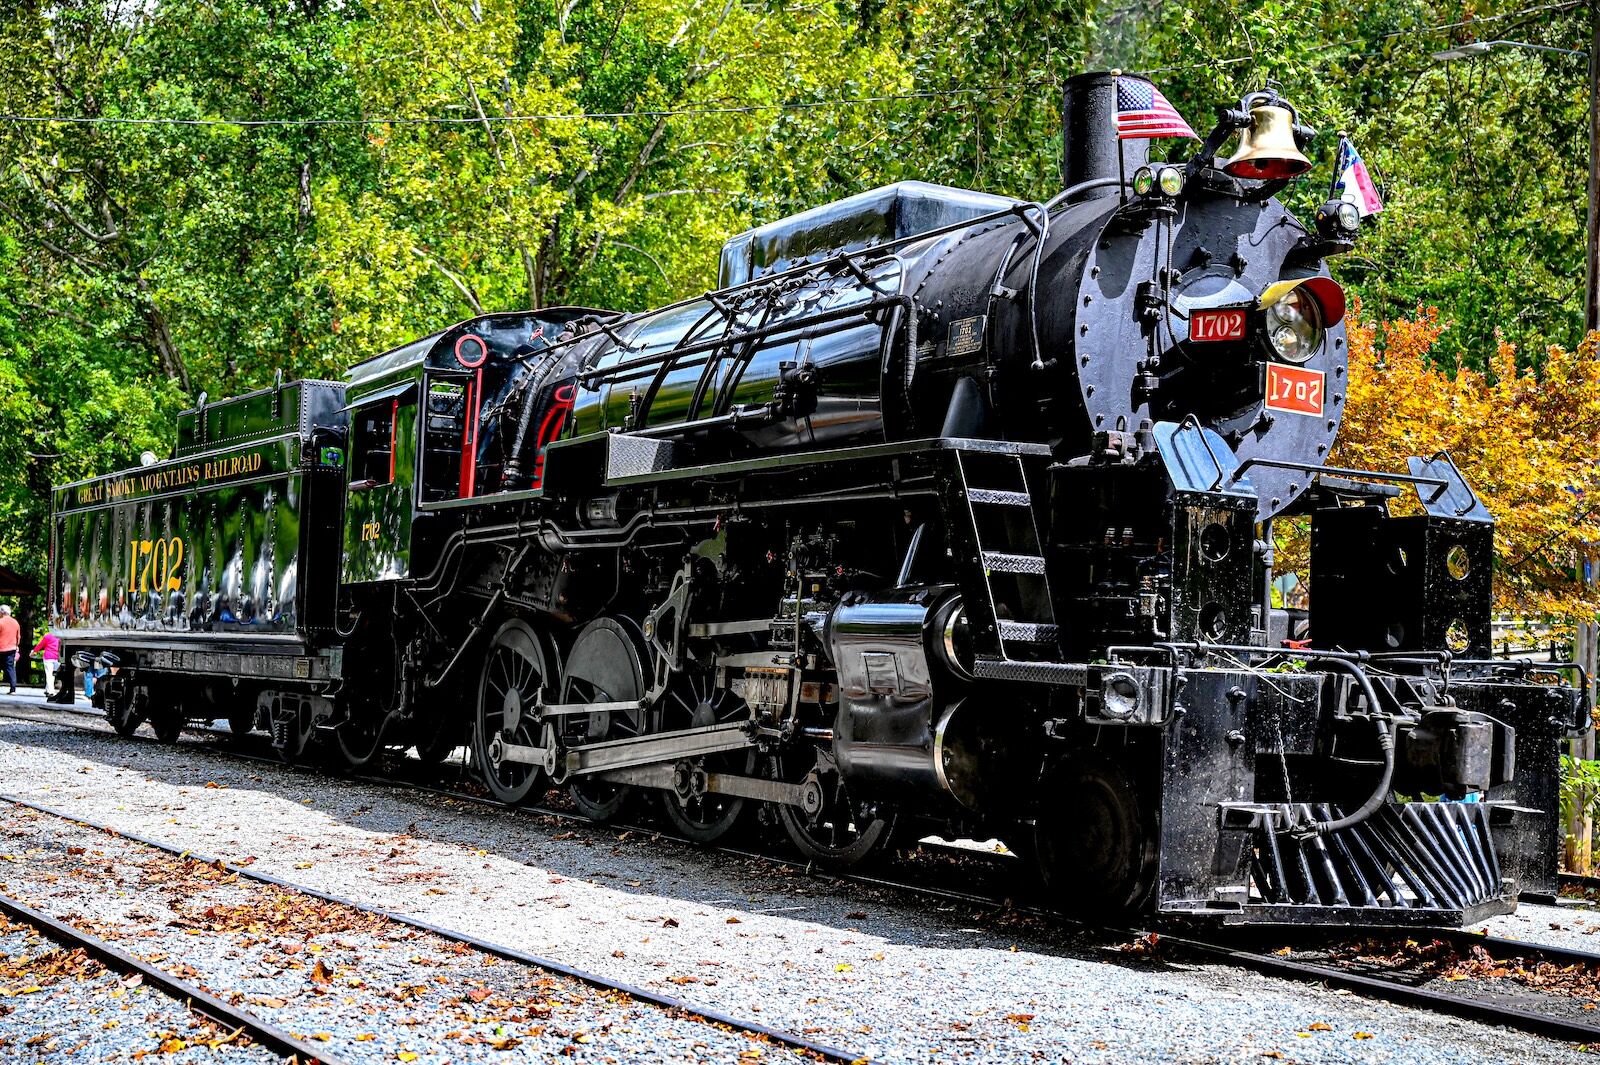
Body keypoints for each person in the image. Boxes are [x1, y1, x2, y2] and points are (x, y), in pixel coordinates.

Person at [30, 631, 60, 697]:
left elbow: (40, 645)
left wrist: (34, 652)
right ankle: (48, 689)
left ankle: (51, 691)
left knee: (49, 674)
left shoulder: (48, 636)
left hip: (48, 656)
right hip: (57, 657)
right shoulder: (60, 637)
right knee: (52, 675)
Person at [0, 606, 20, 694]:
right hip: (11, 648)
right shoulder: (15, 622)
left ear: (1, 612)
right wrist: (16, 645)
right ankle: (13, 689)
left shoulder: (0, 622)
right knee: (10, 668)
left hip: (1, 648)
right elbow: (18, 637)